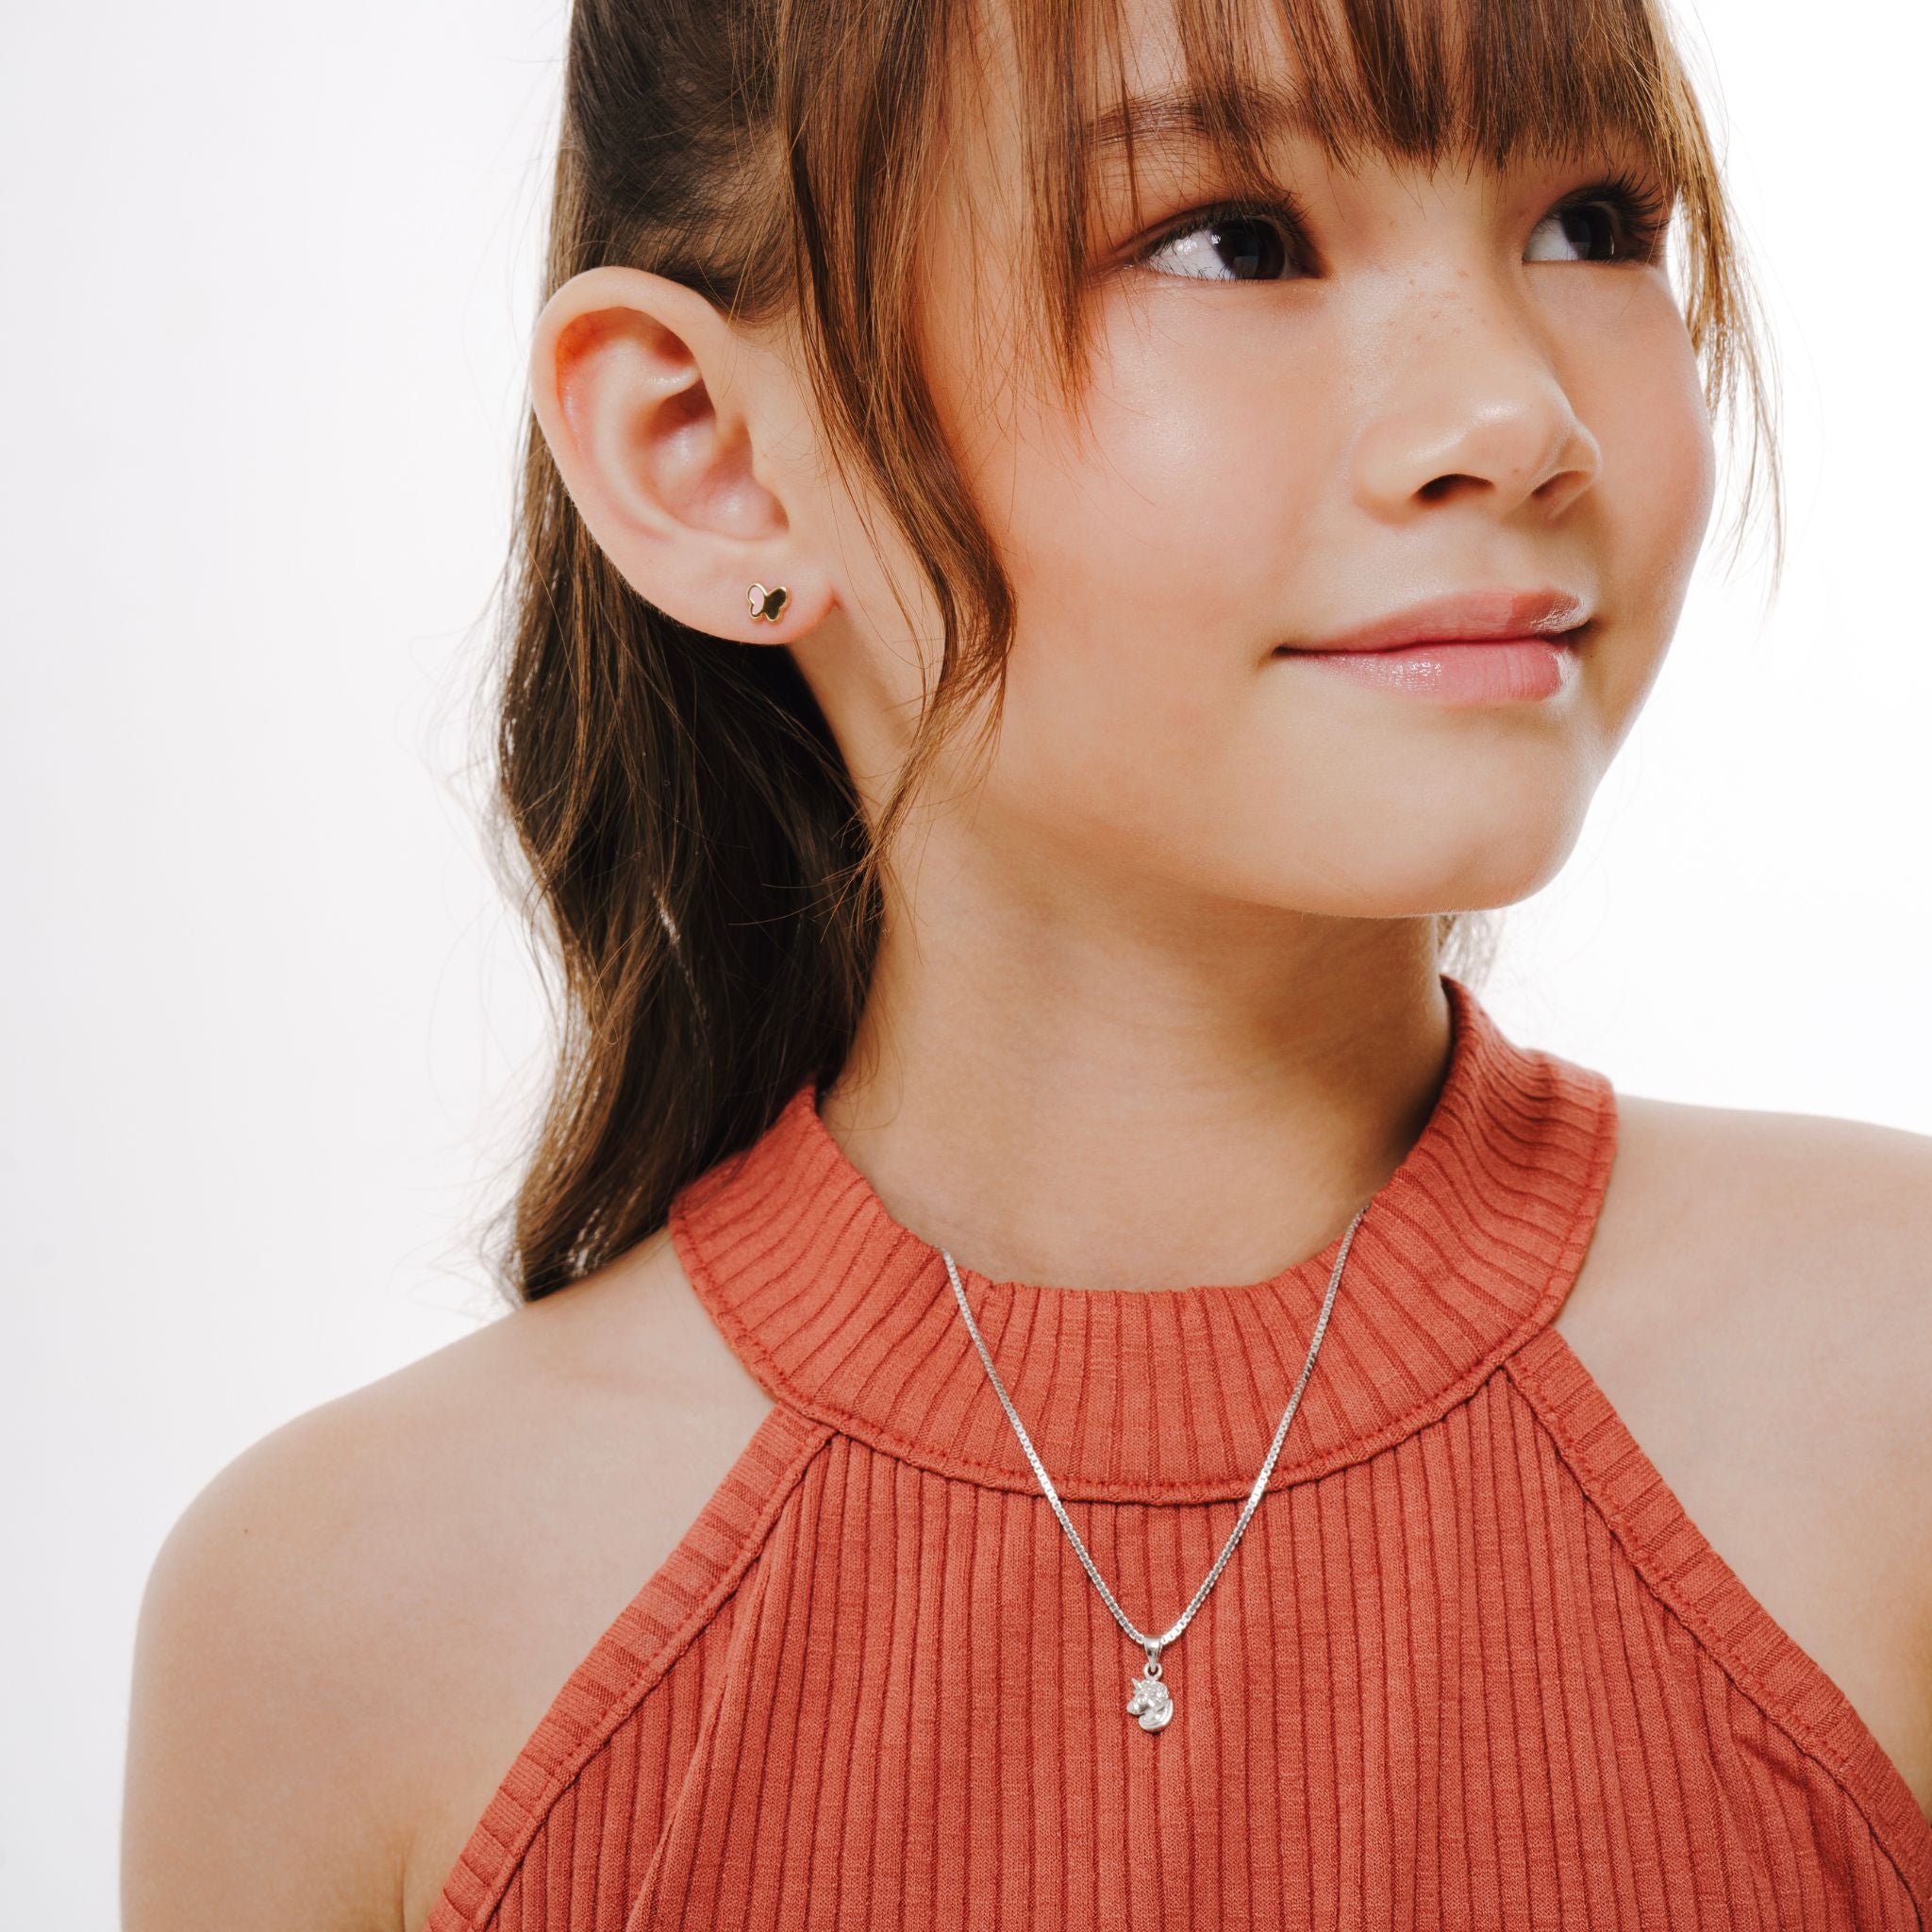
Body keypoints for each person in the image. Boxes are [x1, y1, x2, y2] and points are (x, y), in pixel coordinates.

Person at [122, 0, 1932, 1924]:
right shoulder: (344, 1633)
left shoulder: (1890, 1391)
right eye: (1231, 238)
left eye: (1591, 221)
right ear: (706, 446)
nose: (1514, 414)